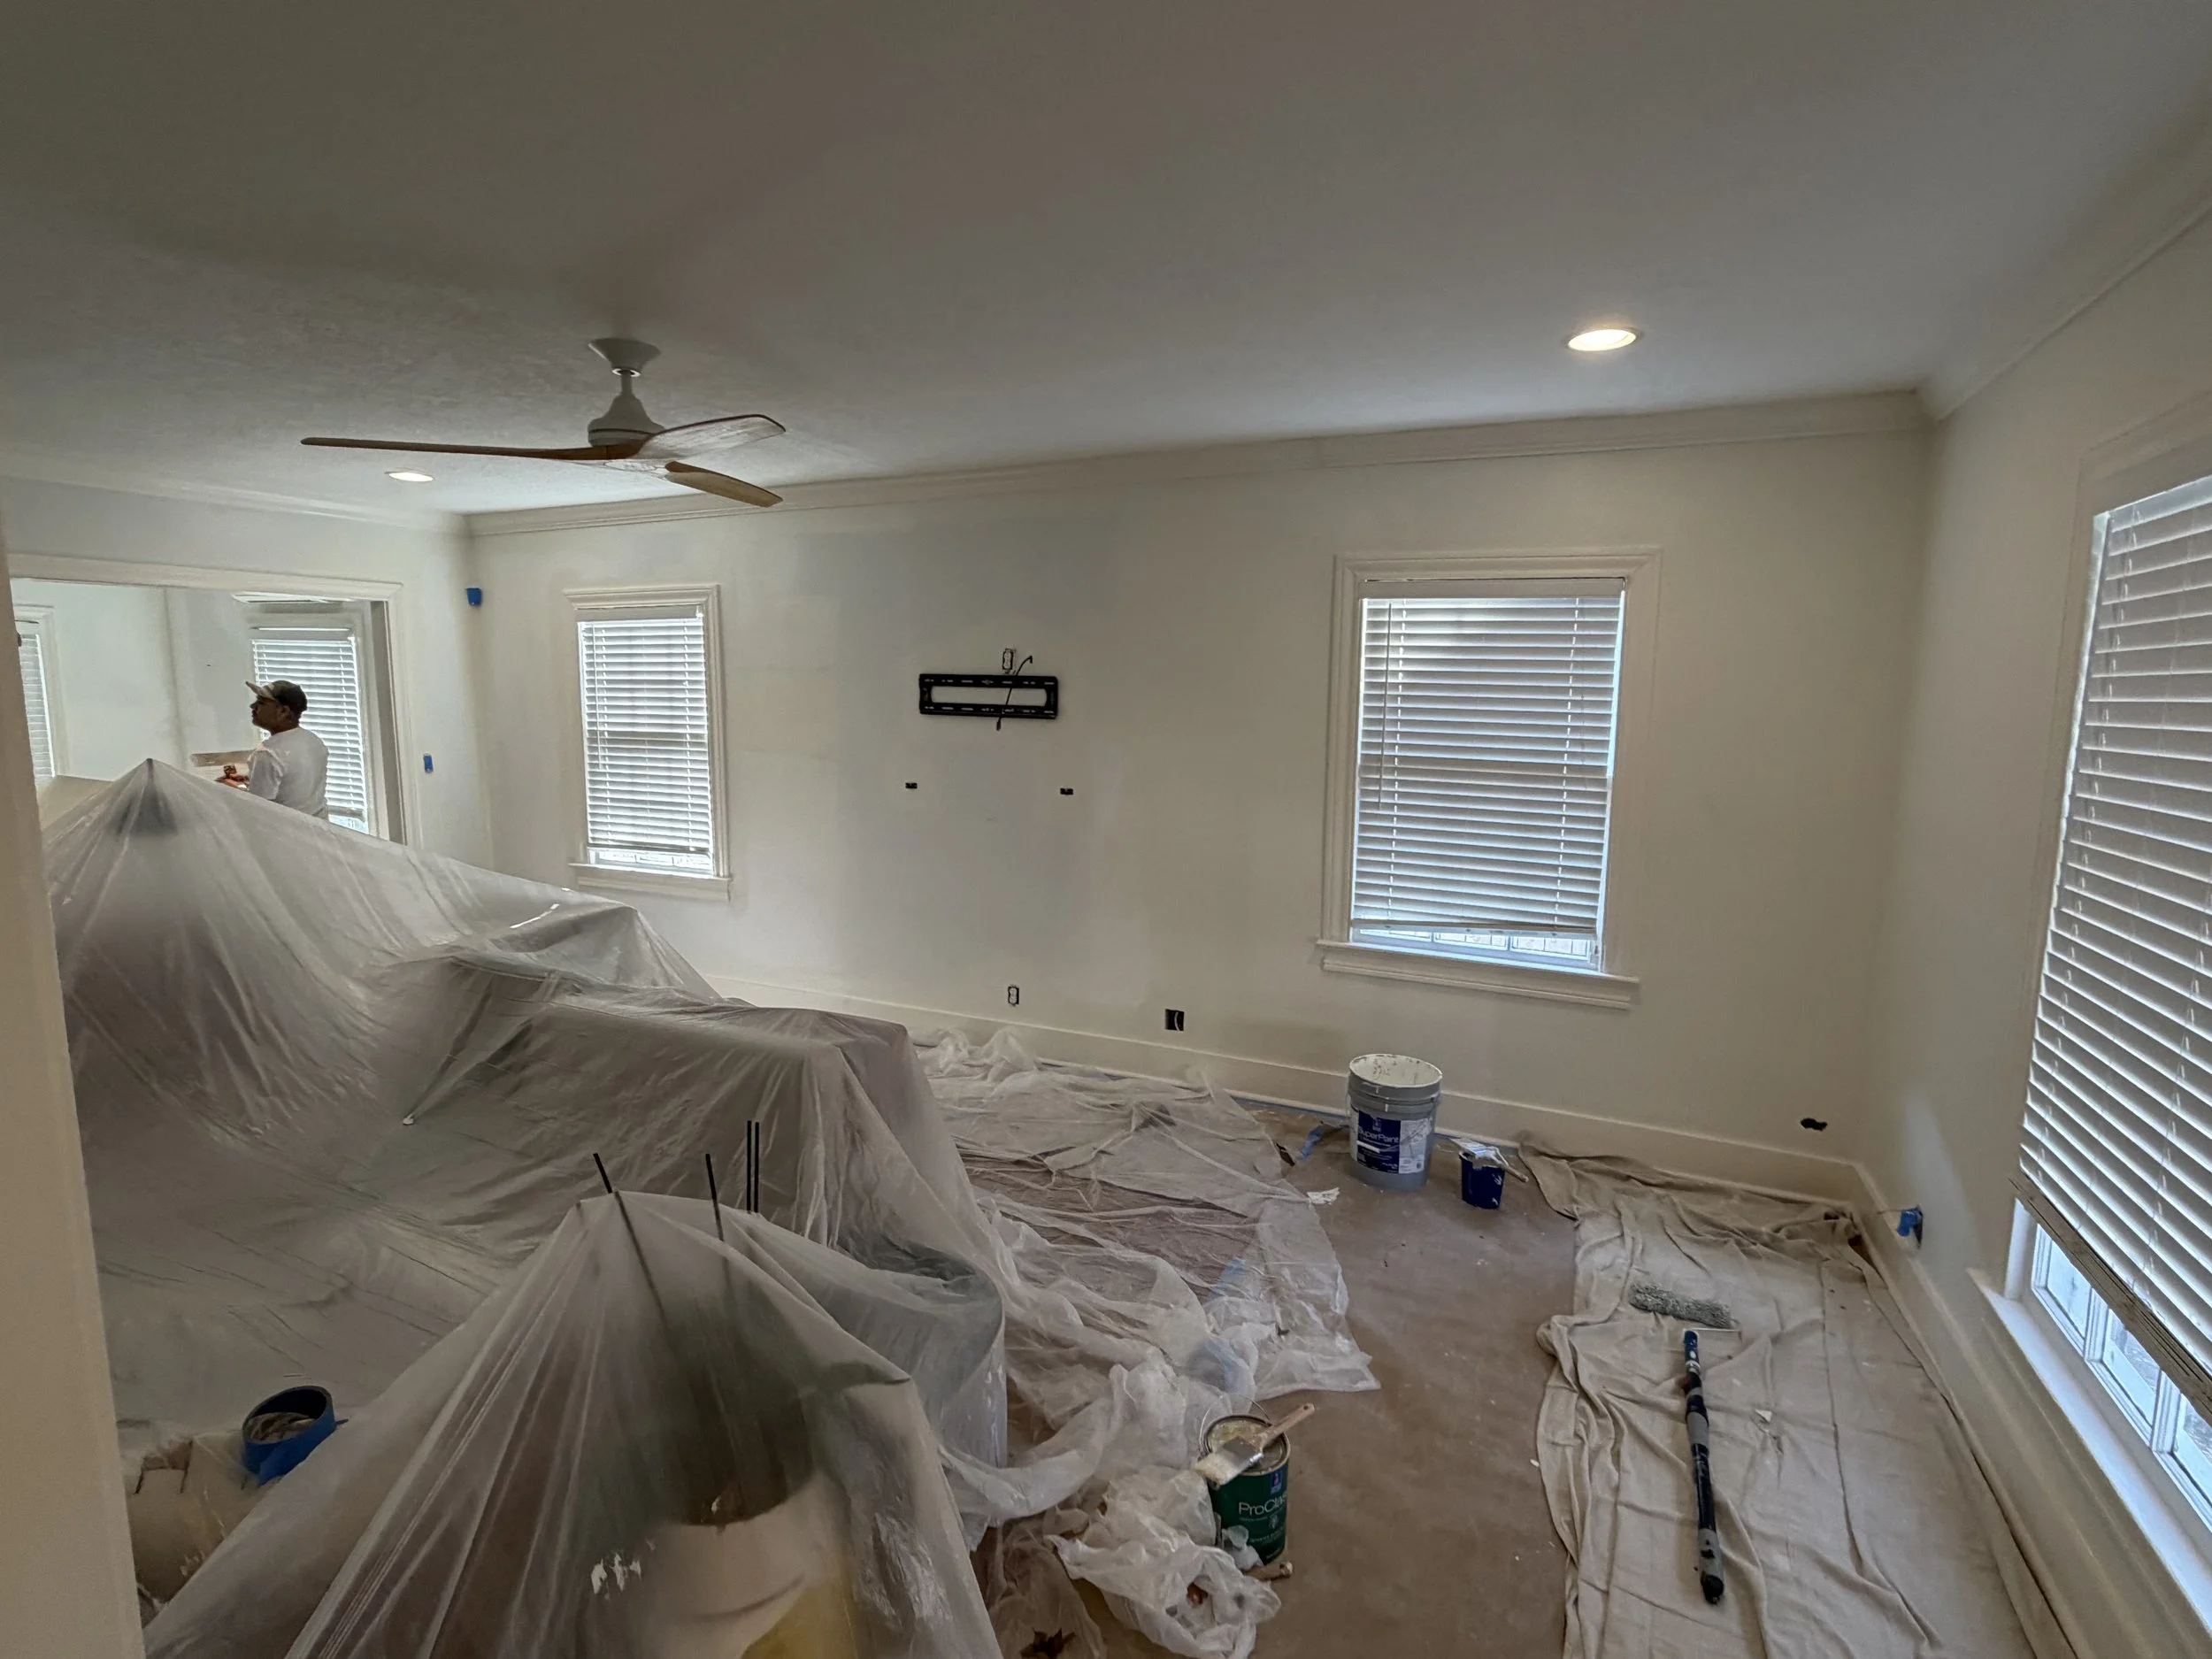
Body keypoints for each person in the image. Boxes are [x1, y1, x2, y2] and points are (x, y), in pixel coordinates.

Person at [219, 680, 330, 818]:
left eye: (261, 703)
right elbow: (293, 786)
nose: (253, 706)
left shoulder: (268, 753)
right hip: (316, 826)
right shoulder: (313, 740)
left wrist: (231, 787)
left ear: (283, 711)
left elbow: (258, 806)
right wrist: (250, 779)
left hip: (286, 828)